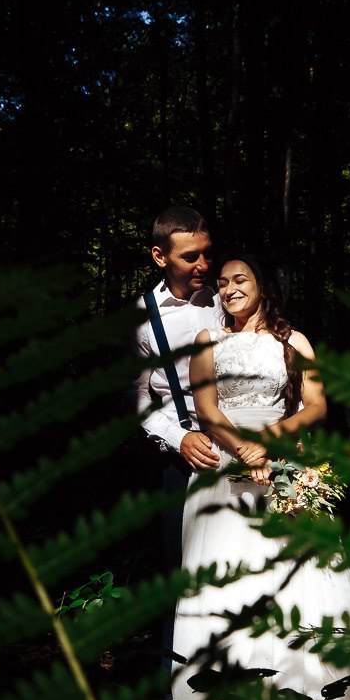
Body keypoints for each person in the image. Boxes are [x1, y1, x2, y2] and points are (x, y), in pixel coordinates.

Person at [170, 254, 350, 700]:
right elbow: (206, 407)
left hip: (284, 462)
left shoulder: (294, 341)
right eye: (222, 284)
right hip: (223, 467)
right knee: (228, 574)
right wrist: (241, 447)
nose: (228, 290)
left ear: (262, 285)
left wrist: (270, 441)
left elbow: (316, 404)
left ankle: (305, 688)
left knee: (295, 572)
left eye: (239, 280)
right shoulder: (209, 341)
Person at [132, 206, 227, 667]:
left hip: (239, 448)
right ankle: (182, 680)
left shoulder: (225, 299)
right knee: (183, 566)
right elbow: (137, 400)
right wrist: (178, 439)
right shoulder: (141, 318)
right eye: (191, 257)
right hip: (181, 456)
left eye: (207, 254)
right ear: (159, 256)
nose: (204, 266)